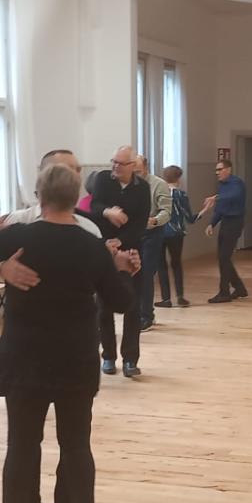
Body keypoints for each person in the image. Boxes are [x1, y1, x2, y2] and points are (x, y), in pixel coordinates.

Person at [0, 164, 139, 503]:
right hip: (76, 358)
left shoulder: (21, 235)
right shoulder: (91, 244)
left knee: (22, 446)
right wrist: (122, 271)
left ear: (39, 197)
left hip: (25, 357)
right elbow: (122, 302)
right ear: (77, 198)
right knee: (76, 445)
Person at [88, 145, 151, 377]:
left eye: (120, 163)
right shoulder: (103, 179)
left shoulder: (142, 188)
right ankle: (108, 356)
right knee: (103, 306)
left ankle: (130, 359)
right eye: (113, 161)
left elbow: (140, 223)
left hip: (131, 250)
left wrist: (120, 241)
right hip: (104, 250)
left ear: (132, 166)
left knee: (133, 306)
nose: (115, 166)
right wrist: (108, 212)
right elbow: (94, 206)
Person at [135, 155, 172, 329]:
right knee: (134, 274)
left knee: (146, 273)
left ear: (146, 168)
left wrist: (155, 220)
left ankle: (147, 316)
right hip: (134, 233)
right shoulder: (128, 185)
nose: (135, 174)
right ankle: (138, 312)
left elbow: (166, 211)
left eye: (138, 171)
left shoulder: (159, 184)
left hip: (152, 233)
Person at [205, 159, 249, 304]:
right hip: (226, 222)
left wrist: (216, 197)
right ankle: (239, 288)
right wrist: (212, 223)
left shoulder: (237, 183)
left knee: (224, 257)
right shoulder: (222, 185)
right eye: (216, 170)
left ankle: (224, 292)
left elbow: (234, 195)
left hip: (235, 223)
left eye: (220, 169)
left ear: (228, 170)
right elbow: (220, 208)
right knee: (223, 258)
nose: (217, 173)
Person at [155, 165, 198, 308]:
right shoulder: (181, 195)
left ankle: (166, 299)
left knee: (161, 265)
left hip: (159, 231)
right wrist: (204, 210)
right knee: (176, 264)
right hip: (176, 233)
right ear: (178, 178)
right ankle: (180, 296)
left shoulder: (159, 193)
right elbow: (190, 218)